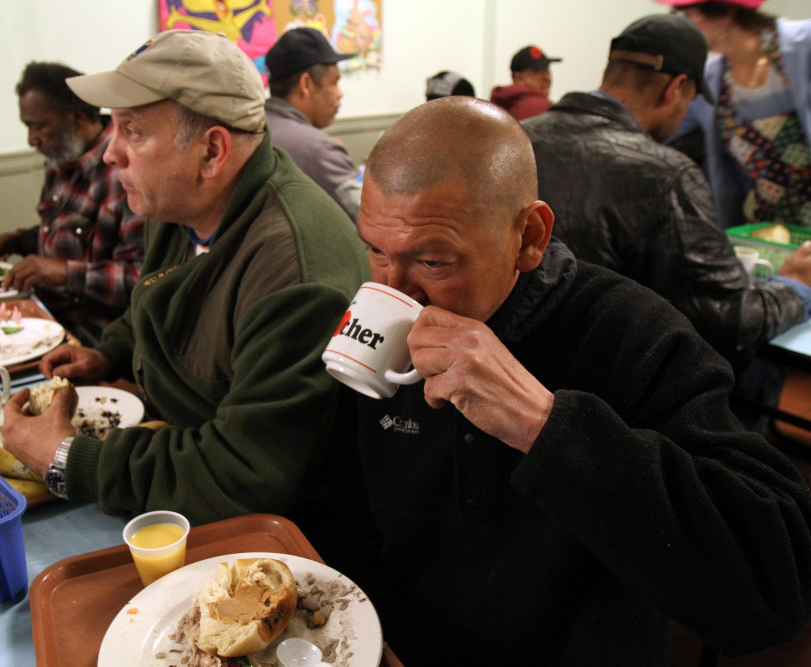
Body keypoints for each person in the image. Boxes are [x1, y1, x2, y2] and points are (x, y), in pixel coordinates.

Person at [330, 94, 811, 665]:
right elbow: (340, 509)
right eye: (376, 251)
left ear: (530, 236)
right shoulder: (373, 325)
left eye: (434, 262)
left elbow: (775, 592)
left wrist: (545, 426)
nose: (396, 287)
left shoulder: (637, 334)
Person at [0, 30, 369, 525]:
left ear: (212, 152)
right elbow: (155, 300)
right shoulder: (181, 205)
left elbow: (244, 474)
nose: (110, 154)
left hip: (282, 530)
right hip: (180, 451)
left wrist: (70, 458)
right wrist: (108, 351)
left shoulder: (294, 272)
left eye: (132, 131)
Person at [522, 14, 811, 432]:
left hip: (522, 388)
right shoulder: (666, 174)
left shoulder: (514, 141)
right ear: (677, 88)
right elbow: (731, 322)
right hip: (620, 415)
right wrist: (796, 286)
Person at [0, 62, 147, 346]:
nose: (31, 140)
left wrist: (62, 273)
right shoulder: (63, 158)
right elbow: (69, 234)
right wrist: (19, 241)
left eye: (38, 126)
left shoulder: (124, 172)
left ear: (77, 118)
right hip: (47, 313)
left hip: (98, 335)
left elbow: (142, 280)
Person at [657, 0, 811, 228]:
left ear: (724, 14)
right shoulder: (712, 78)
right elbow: (660, 128)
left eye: (687, 15)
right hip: (767, 231)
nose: (682, 28)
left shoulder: (804, 45)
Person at [264, 27, 361, 222]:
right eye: (334, 82)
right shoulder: (318, 150)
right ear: (306, 84)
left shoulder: (254, 127)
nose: (340, 93)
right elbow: (371, 220)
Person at [490, 44, 562, 121]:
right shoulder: (544, 110)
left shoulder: (493, 111)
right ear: (518, 78)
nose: (547, 78)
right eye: (537, 72)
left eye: (547, 71)